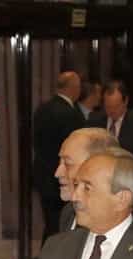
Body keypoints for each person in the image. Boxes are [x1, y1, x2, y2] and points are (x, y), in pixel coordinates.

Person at [56, 128, 133, 237]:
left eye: (67, 163)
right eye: (59, 162)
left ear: (97, 163)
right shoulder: (69, 213)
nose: (57, 173)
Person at [33, 71, 86, 241]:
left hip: (43, 177)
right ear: (73, 88)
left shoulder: (43, 108)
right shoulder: (69, 114)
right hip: (62, 180)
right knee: (61, 226)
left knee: (50, 224)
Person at [88, 81, 133, 160]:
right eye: (108, 107)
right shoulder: (94, 120)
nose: (112, 111)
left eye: (116, 106)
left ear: (126, 101)